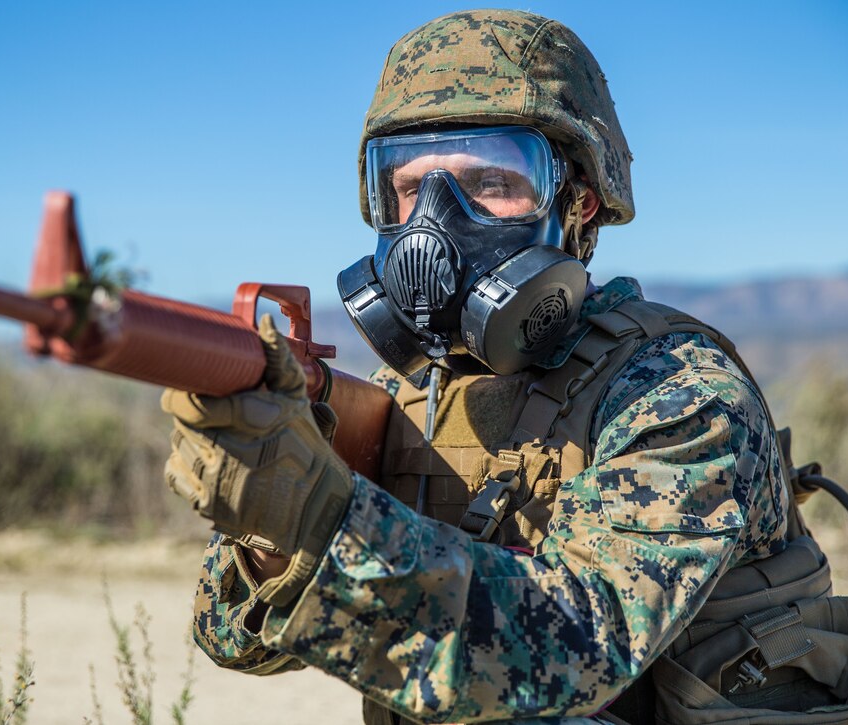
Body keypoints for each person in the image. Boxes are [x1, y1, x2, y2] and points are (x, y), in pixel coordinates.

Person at [162, 9, 793, 724]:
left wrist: (326, 518)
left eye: (491, 179)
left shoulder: (679, 392)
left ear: (578, 201)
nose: (435, 220)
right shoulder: (412, 391)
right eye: (407, 185)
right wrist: (270, 528)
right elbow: (233, 638)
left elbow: (576, 646)